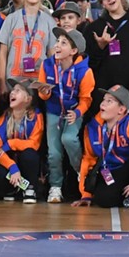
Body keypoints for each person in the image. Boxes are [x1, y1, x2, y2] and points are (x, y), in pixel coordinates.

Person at [73, 85, 129, 209]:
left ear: (121, 110)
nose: (103, 104)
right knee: (103, 200)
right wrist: (86, 194)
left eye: (109, 101)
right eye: (104, 100)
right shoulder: (92, 128)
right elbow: (88, 159)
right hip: (109, 170)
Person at [37, 27, 92, 204]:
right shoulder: (47, 65)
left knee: (69, 139)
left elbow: (86, 99)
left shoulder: (85, 71)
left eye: (63, 43)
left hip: (73, 111)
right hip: (53, 111)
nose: (57, 46)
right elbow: (42, 94)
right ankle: (55, 186)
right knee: (53, 152)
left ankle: (81, 171)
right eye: (57, 42)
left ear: (74, 51)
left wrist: (77, 113)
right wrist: (44, 93)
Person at [0, 79, 45, 203]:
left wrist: (11, 143)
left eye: (18, 91)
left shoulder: (36, 117)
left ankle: (30, 189)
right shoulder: (1, 121)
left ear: (28, 99)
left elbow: (34, 144)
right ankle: (10, 189)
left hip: (26, 162)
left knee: (29, 155)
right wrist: (12, 167)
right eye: (12, 90)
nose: (12, 93)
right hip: (11, 163)